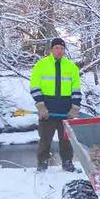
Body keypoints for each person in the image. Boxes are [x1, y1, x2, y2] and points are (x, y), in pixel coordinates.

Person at [30, 37, 81, 172]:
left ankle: (67, 162)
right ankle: (42, 163)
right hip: (47, 110)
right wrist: (41, 106)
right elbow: (34, 87)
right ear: (51, 49)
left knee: (66, 140)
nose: (59, 51)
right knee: (45, 139)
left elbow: (76, 90)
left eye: (62, 48)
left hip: (66, 111)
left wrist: (75, 108)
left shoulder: (71, 67)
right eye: (56, 48)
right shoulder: (41, 65)